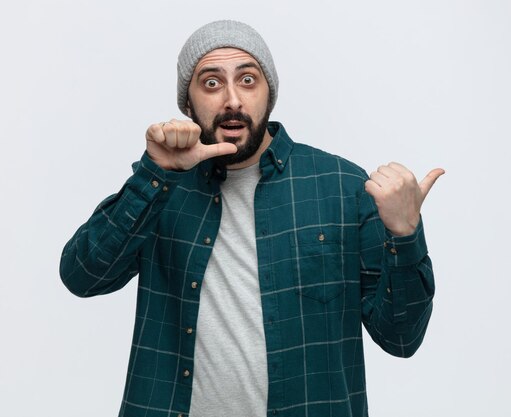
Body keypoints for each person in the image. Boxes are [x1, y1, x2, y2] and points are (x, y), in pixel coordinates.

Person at [60, 20, 444, 417]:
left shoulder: (342, 186)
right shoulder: (164, 186)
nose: (232, 100)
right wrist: (154, 175)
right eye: (211, 83)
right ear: (187, 104)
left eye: (247, 80)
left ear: (269, 94)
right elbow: (82, 277)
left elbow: (401, 338)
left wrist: (404, 233)